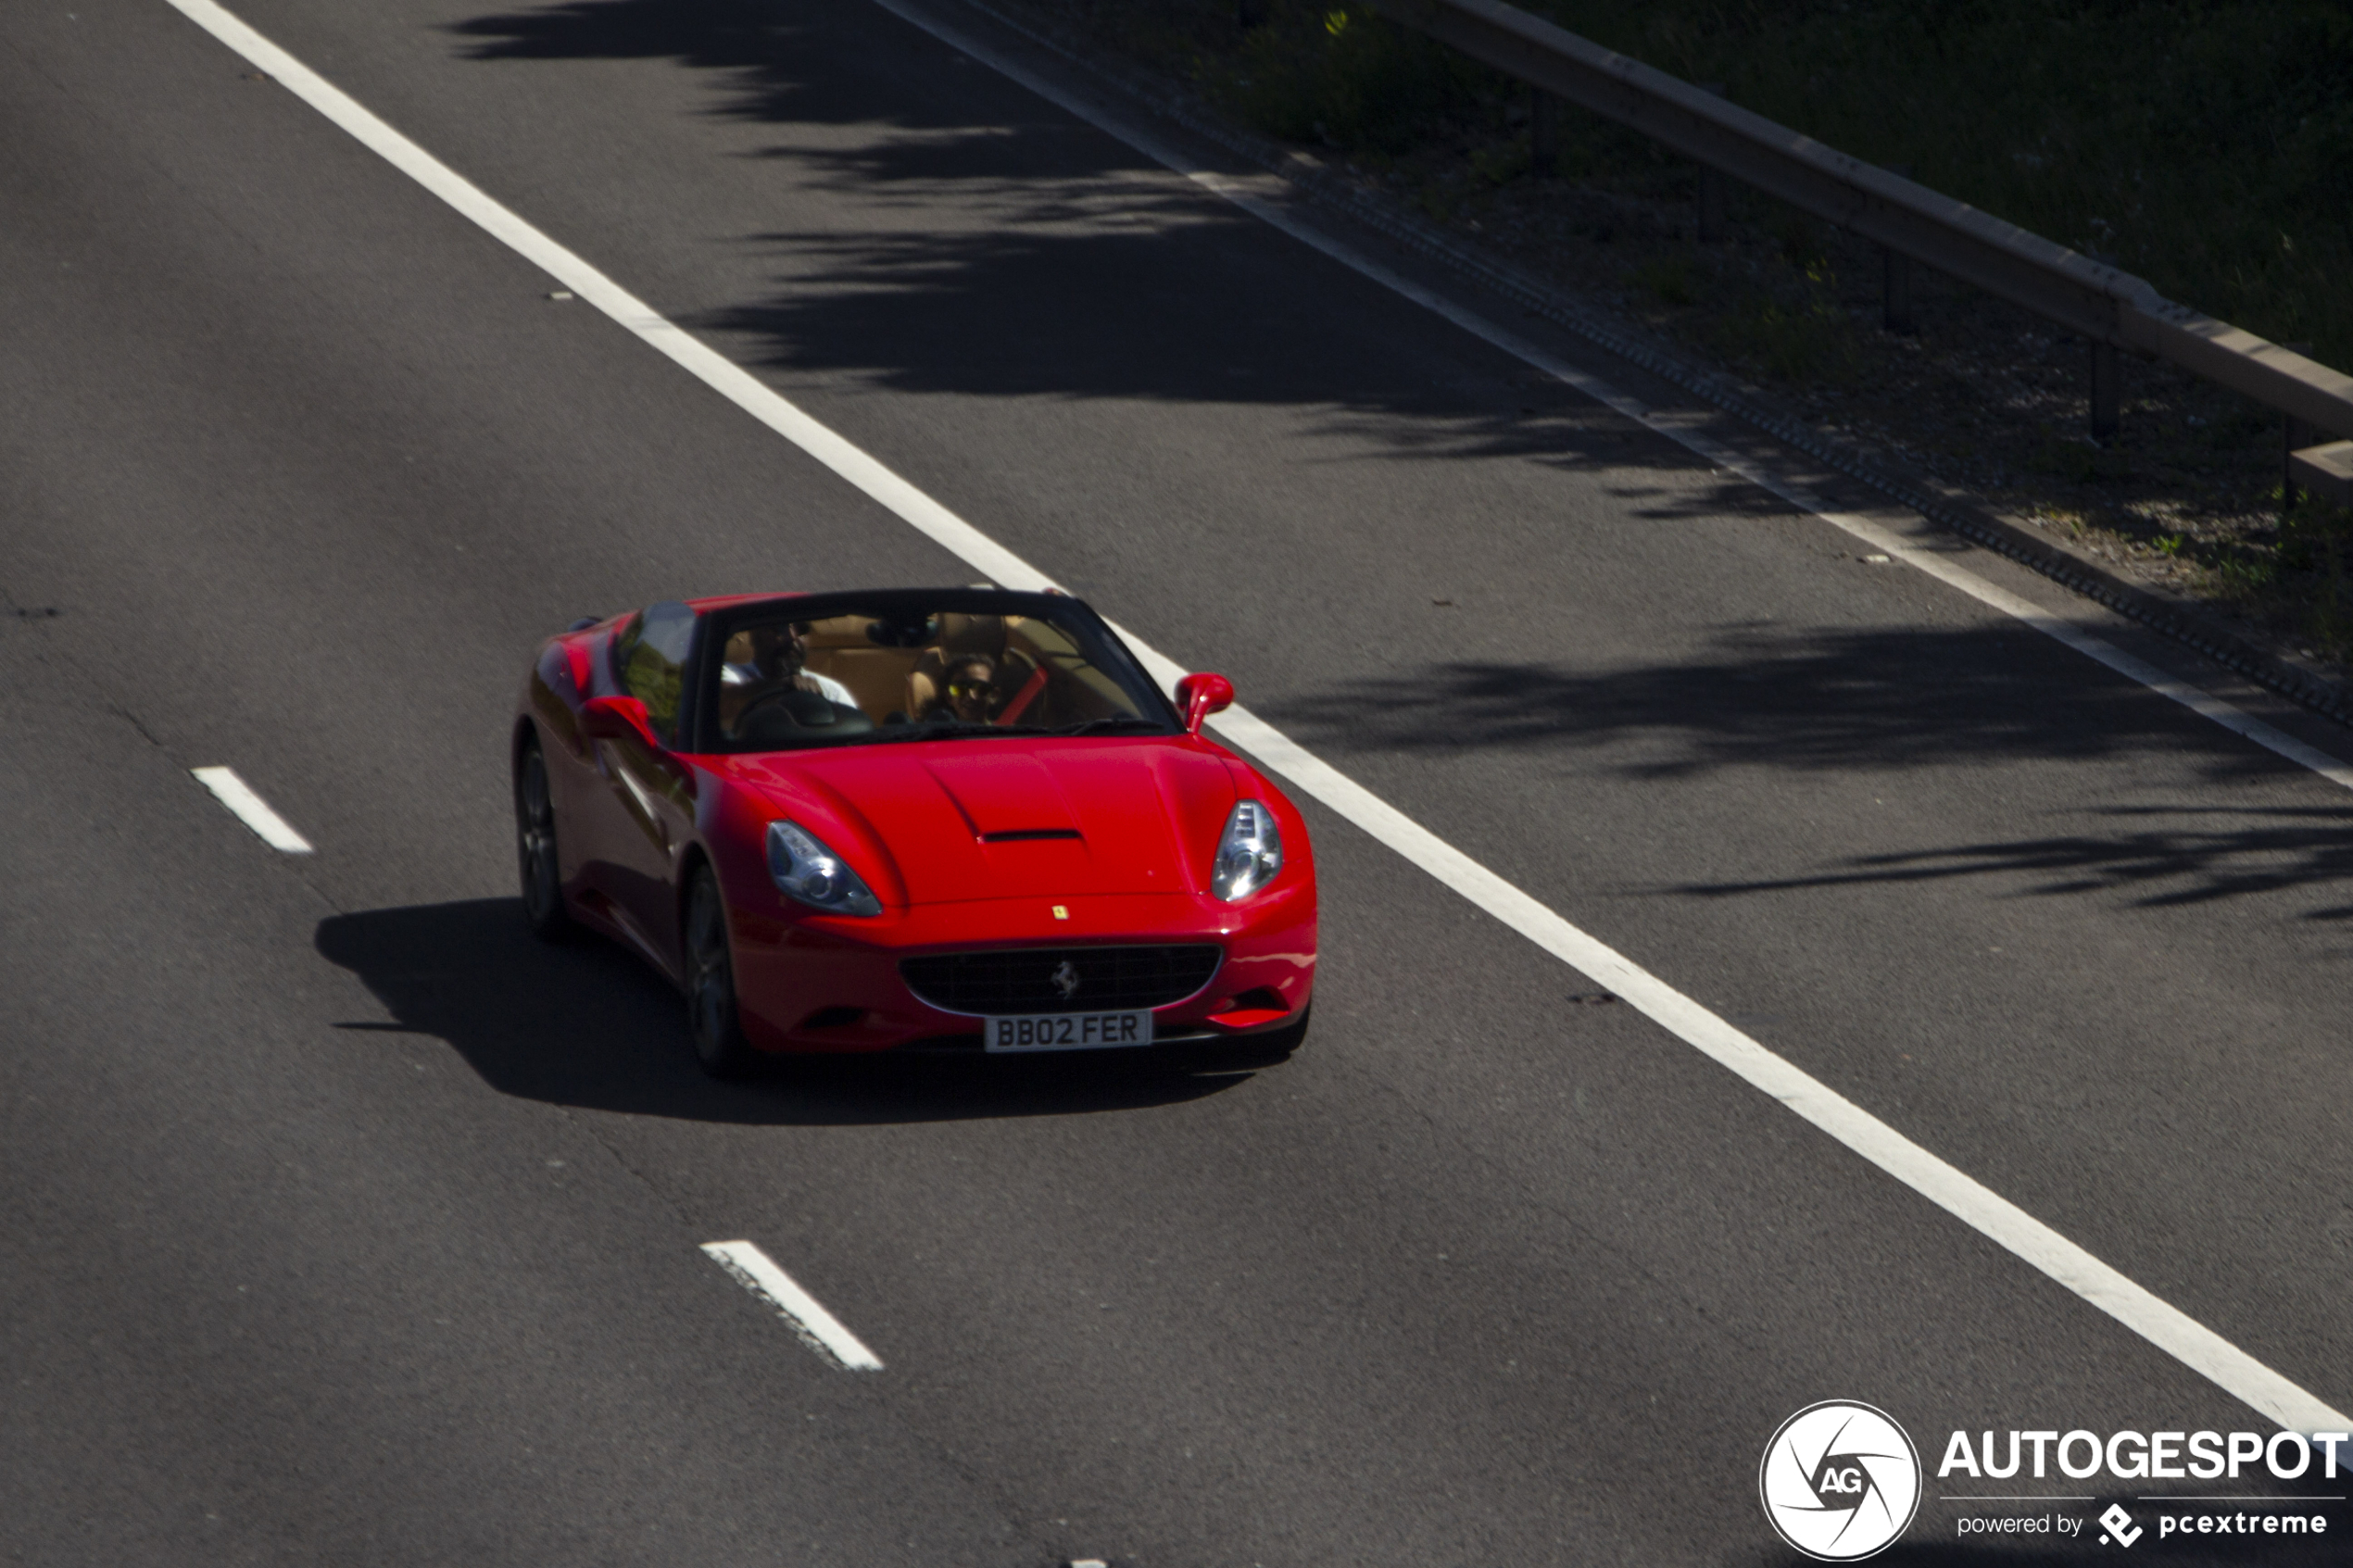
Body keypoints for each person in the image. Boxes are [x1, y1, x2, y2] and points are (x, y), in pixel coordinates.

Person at [720, 621, 857, 727]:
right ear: (753, 636)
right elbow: (724, 700)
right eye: (778, 628)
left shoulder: (829, 690)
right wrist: (783, 686)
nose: (792, 637)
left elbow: (852, 736)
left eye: (801, 629)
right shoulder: (731, 674)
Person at [922, 654, 1002, 723]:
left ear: (994, 695)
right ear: (949, 697)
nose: (970, 696)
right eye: (960, 689)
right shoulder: (937, 738)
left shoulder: (1004, 737)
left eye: (980, 688)